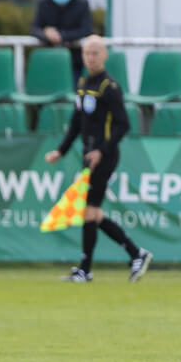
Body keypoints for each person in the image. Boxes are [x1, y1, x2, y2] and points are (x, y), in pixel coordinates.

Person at [43, 35, 153, 283]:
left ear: (104, 55)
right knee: (92, 213)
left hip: (104, 157)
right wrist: (61, 150)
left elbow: (123, 125)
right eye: (87, 53)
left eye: (95, 53)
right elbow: (76, 122)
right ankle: (132, 254)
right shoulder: (84, 83)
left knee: (89, 211)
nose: (90, 58)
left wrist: (102, 151)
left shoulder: (109, 87)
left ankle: (90, 267)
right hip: (88, 154)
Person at [30, 0, 94, 83]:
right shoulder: (44, 2)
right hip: (49, 60)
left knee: (75, 89)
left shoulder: (81, 3)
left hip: (74, 61)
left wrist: (62, 36)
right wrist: (46, 34)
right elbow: (34, 28)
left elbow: (86, 30)